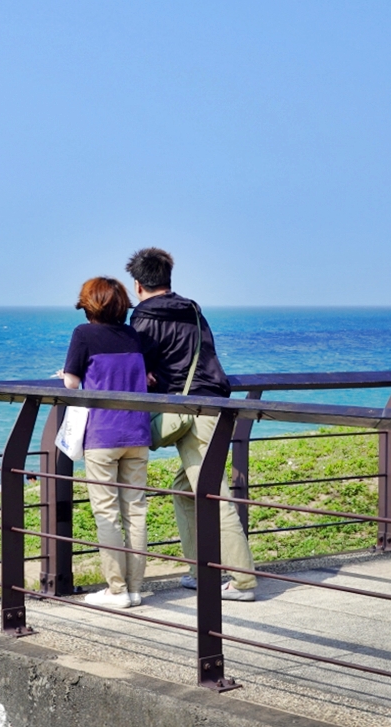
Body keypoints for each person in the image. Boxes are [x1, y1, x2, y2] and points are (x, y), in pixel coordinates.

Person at [126, 247, 257, 601]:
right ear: (168, 278)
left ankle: (243, 581)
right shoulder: (193, 310)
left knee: (215, 495)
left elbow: (139, 366)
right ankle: (200, 570)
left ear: (138, 285)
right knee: (186, 489)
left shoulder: (144, 317)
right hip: (215, 402)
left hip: (193, 411)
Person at [60, 276, 152, 610]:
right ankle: (137, 588)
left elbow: (71, 382)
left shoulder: (83, 335)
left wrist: (67, 376)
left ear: (88, 305)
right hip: (137, 432)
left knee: (107, 513)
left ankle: (117, 590)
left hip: (102, 434)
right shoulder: (132, 335)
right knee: (136, 510)